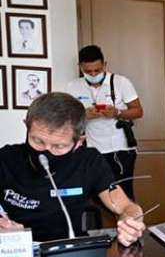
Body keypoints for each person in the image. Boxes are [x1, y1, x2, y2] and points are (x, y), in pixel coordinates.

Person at [0, 93, 145, 244]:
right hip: (18, 251)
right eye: (37, 141)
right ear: (27, 126)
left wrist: (131, 221)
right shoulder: (5, 159)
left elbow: (126, 206)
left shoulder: (89, 161)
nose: (45, 151)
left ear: (79, 142)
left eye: (59, 146)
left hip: (72, 253)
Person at [65, 45, 143, 199]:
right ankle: (111, 223)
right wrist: (83, 114)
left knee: (124, 196)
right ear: (81, 67)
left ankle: (130, 223)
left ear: (105, 65)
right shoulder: (73, 87)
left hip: (120, 150)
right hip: (92, 151)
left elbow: (138, 111)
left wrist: (118, 112)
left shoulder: (121, 82)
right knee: (97, 196)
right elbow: (66, 119)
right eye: (88, 71)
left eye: (97, 70)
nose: (93, 74)